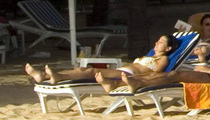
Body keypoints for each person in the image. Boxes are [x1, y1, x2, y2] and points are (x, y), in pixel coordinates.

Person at [25, 34, 181, 87]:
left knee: (90, 71)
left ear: (168, 48)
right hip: (124, 71)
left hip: (127, 75)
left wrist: (134, 79)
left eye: (160, 42)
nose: (156, 43)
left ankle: (55, 76)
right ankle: (45, 76)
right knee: (84, 71)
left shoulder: (164, 59)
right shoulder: (150, 56)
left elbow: (156, 74)